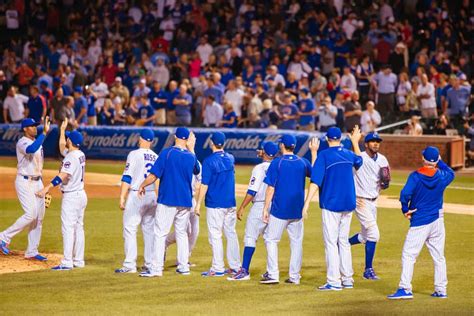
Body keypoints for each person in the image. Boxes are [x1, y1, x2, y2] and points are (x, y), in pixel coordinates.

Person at [388, 146, 454, 300]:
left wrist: (405, 208)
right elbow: (451, 173)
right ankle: (441, 289)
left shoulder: (415, 176)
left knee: (409, 255)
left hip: (420, 221)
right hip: (438, 220)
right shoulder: (442, 176)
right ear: (437, 160)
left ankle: (405, 288)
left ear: (423, 159)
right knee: (439, 256)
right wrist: (439, 161)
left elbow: (405, 194)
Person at [302, 126, 363, 291]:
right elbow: (360, 161)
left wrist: (306, 203)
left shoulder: (324, 155)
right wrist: (355, 142)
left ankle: (334, 281)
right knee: (343, 241)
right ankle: (347, 279)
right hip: (348, 203)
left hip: (332, 203)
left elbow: (315, 181)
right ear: (340, 139)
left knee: (331, 242)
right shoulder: (349, 153)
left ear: (327, 139)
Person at [138, 127, 200, 277]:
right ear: (186, 139)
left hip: (168, 199)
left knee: (160, 233)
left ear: (175, 137)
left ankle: (156, 268)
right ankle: (184, 266)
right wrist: (191, 149)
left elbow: (154, 175)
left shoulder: (167, 153)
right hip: (185, 202)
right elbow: (197, 170)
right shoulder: (191, 157)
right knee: (181, 233)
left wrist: (142, 185)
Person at [259, 135, 317, 285]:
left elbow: (270, 188)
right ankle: (295, 276)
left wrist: (265, 208)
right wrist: (314, 153)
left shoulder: (277, 163)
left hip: (280, 210)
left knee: (271, 240)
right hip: (297, 210)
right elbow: (316, 175)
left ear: (282, 146)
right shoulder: (302, 162)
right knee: (296, 243)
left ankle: (273, 274)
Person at [35, 121, 87, 270]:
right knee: (79, 228)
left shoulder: (71, 157)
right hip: (81, 195)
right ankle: (78, 260)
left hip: (71, 197)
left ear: (71, 142)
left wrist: (47, 187)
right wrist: (63, 131)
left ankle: (67, 262)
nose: (67, 140)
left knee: (68, 229)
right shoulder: (79, 154)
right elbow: (62, 148)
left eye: (68, 138)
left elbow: (62, 175)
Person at [0, 117, 50, 259]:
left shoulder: (37, 142)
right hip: (24, 182)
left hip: (37, 182)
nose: (35, 128)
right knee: (31, 214)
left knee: (39, 218)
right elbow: (31, 150)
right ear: (25, 129)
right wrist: (45, 133)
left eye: (36, 126)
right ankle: (3, 237)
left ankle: (32, 251)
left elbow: (38, 166)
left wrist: (43, 186)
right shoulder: (22, 142)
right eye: (32, 126)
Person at [227, 142, 279, 281]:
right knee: (270, 239)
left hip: (260, 206)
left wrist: (242, 206)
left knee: (250, 237)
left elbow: (252, 191)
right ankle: (271, 272)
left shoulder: (259, 168)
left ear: (264, 152)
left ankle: (244, 271)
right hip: (275, 206)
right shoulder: (279, 165)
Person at [195, 132, 241, 277]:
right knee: (231, 234)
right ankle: (235, 266)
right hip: (230, 204)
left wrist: (198, 204)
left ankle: (218, 267)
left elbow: (204, 184)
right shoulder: (230, 158)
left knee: (215, 235)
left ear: (211, 143)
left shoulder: (208, 161)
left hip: (215, 204)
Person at [115, 129, 158, 274]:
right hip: (152, 195)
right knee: (149, 230)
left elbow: (127, 177)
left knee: (130, 228)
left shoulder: (134, 154)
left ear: (141, 139)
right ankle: (150, 263)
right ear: (151, 142)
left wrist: (122, 196)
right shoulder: (156, 156)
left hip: (137, 194)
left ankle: (129, 265)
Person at [349, 132, 390, 280]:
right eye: (372, 141)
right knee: (374, 234)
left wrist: (385, 182)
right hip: (360, 201)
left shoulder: (383, 159)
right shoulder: (360, 157)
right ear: (366, 144)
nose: (376, 143)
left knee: (365, 236)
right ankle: (368, 270)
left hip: (374, 202)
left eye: (377, 141)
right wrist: (354, 141)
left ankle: (343, 244)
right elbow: (357, 157)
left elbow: (385, 180)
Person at [165, 161, 202, 266]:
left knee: (194, 231)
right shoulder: (174, 159)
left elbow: (200, 182)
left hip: (191, 199)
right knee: (185, 230)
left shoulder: (196, 162)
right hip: (175, 198)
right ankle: (165, 242)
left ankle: (184, 259)